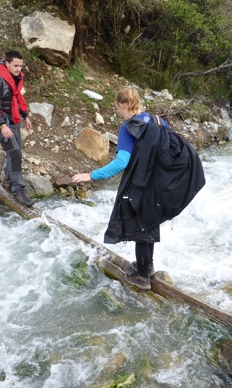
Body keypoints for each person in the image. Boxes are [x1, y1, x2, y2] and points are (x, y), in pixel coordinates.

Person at [72, 87, 205, 291]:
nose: (119, 112)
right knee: (149, 221)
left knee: (140, 225)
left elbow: (121, 162)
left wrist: (90, 175)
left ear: (123, 105)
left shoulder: (128, 128)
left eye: (118, 108)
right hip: (159, 183)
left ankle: (142, 277)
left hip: (141, 183)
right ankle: (148, 266)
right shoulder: (158, 121)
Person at [0, 50, 34, 207]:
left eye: (20, 66)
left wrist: (25, 115)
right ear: (7, 64)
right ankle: (18, 191)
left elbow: (16, 97)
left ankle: (8, 182)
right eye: (15, 65)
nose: (19, 69)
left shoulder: (14, 77)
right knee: (14, 153)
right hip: (1, 122)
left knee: (15, 152)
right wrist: (2, 125)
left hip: (13, 119)